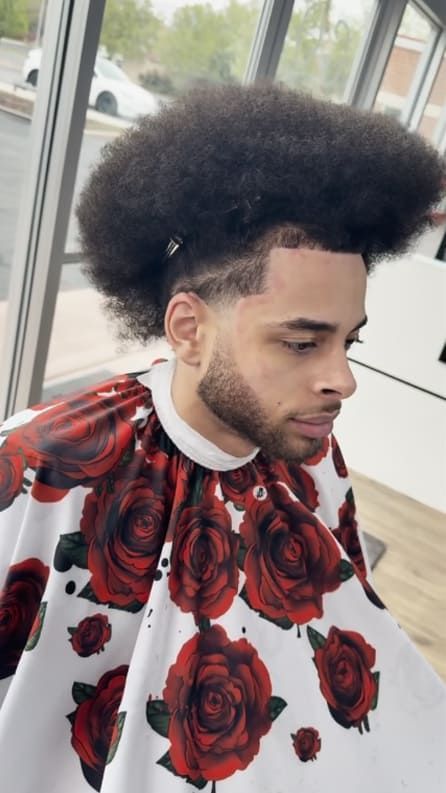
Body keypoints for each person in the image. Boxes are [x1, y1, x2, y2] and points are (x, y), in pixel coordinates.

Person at [0, 83, 445, 793]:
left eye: (349, 343)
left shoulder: (313, 456)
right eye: (302, 343)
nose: (343, 380)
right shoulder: (38, 465)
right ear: (188, 329)